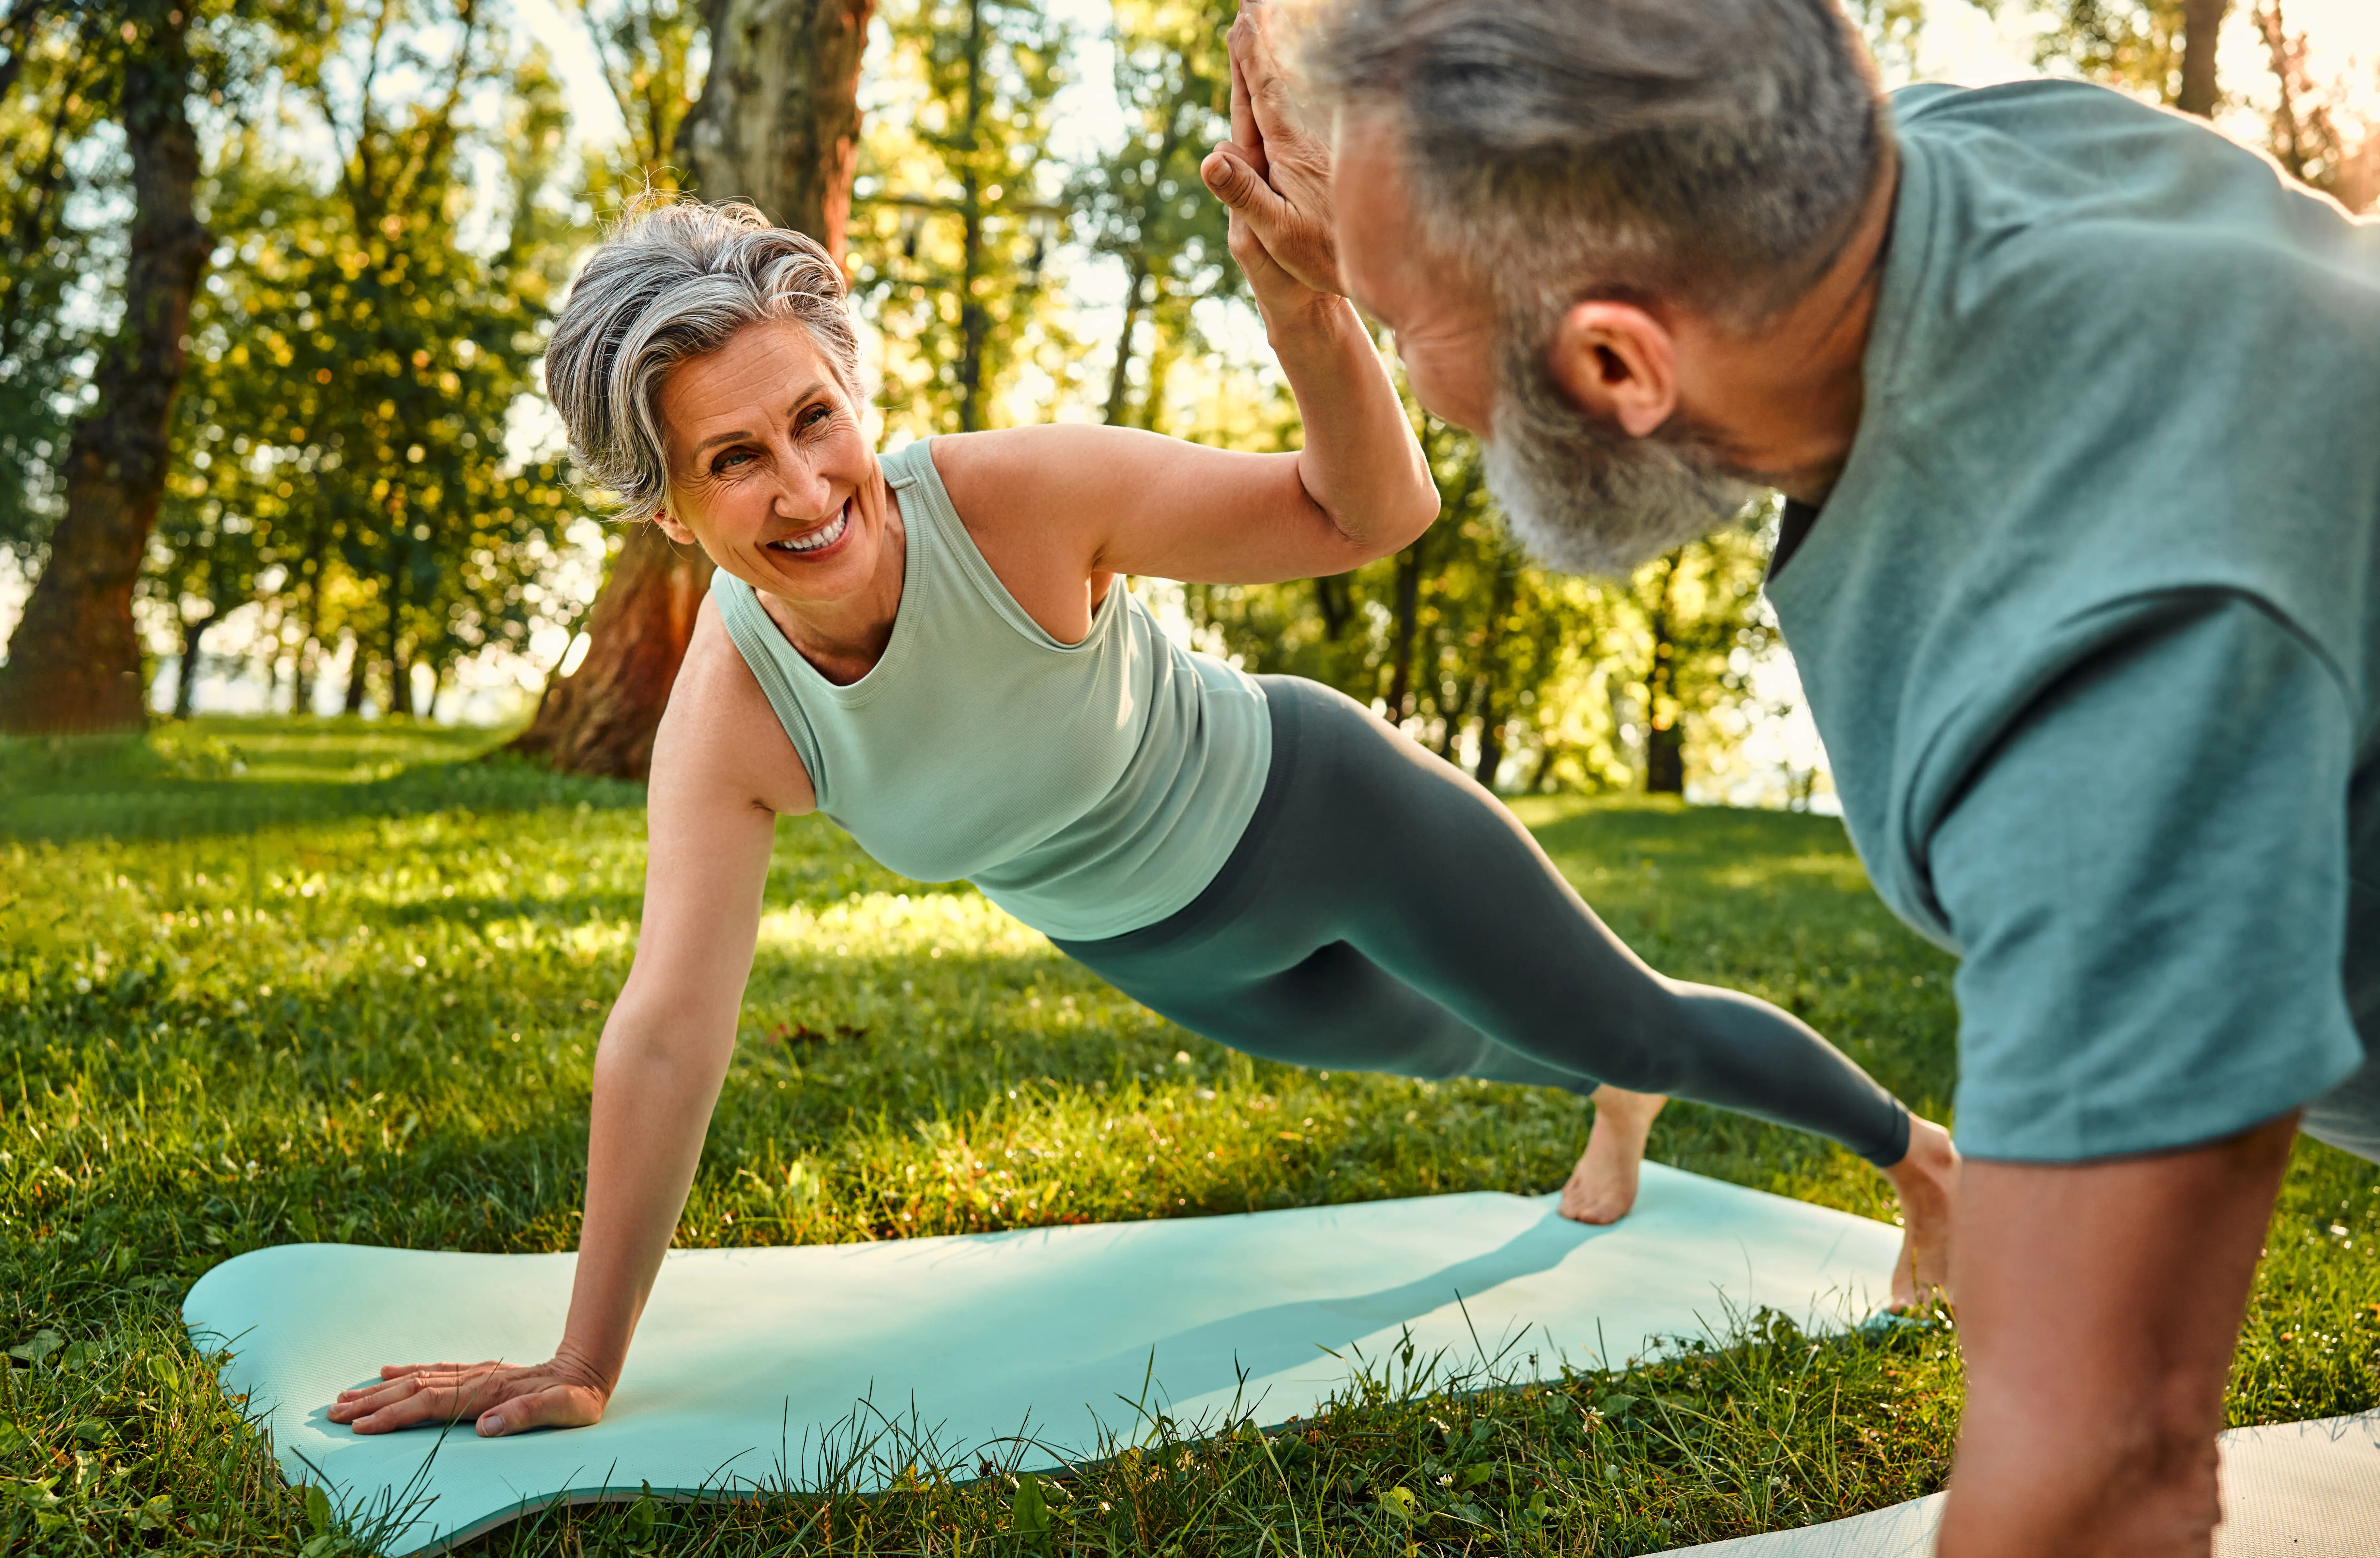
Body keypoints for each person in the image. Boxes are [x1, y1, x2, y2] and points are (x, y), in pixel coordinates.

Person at [323, 145, 1955, 1440]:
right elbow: (671, 1028)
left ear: (856, 398)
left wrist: (1306, 310)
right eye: (732, 460)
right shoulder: (734, 716)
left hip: (1323, 812)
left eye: (814, 418)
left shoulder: (1010, 503)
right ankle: (1609, 1097)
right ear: (671, 513)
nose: (805, 486)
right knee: (1470, 1048)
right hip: (1162, 949)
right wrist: (584, 1357)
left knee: (1631, 1017)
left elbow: (1363, 516)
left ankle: (1917, 1163)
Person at [1229, 0, 2380, 1552]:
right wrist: (1368, 202)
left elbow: (2101, 1477)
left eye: (1394, 323)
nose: (1397, 357)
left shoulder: (2103, 657)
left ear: (1618, 364)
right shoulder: (1907, 167)